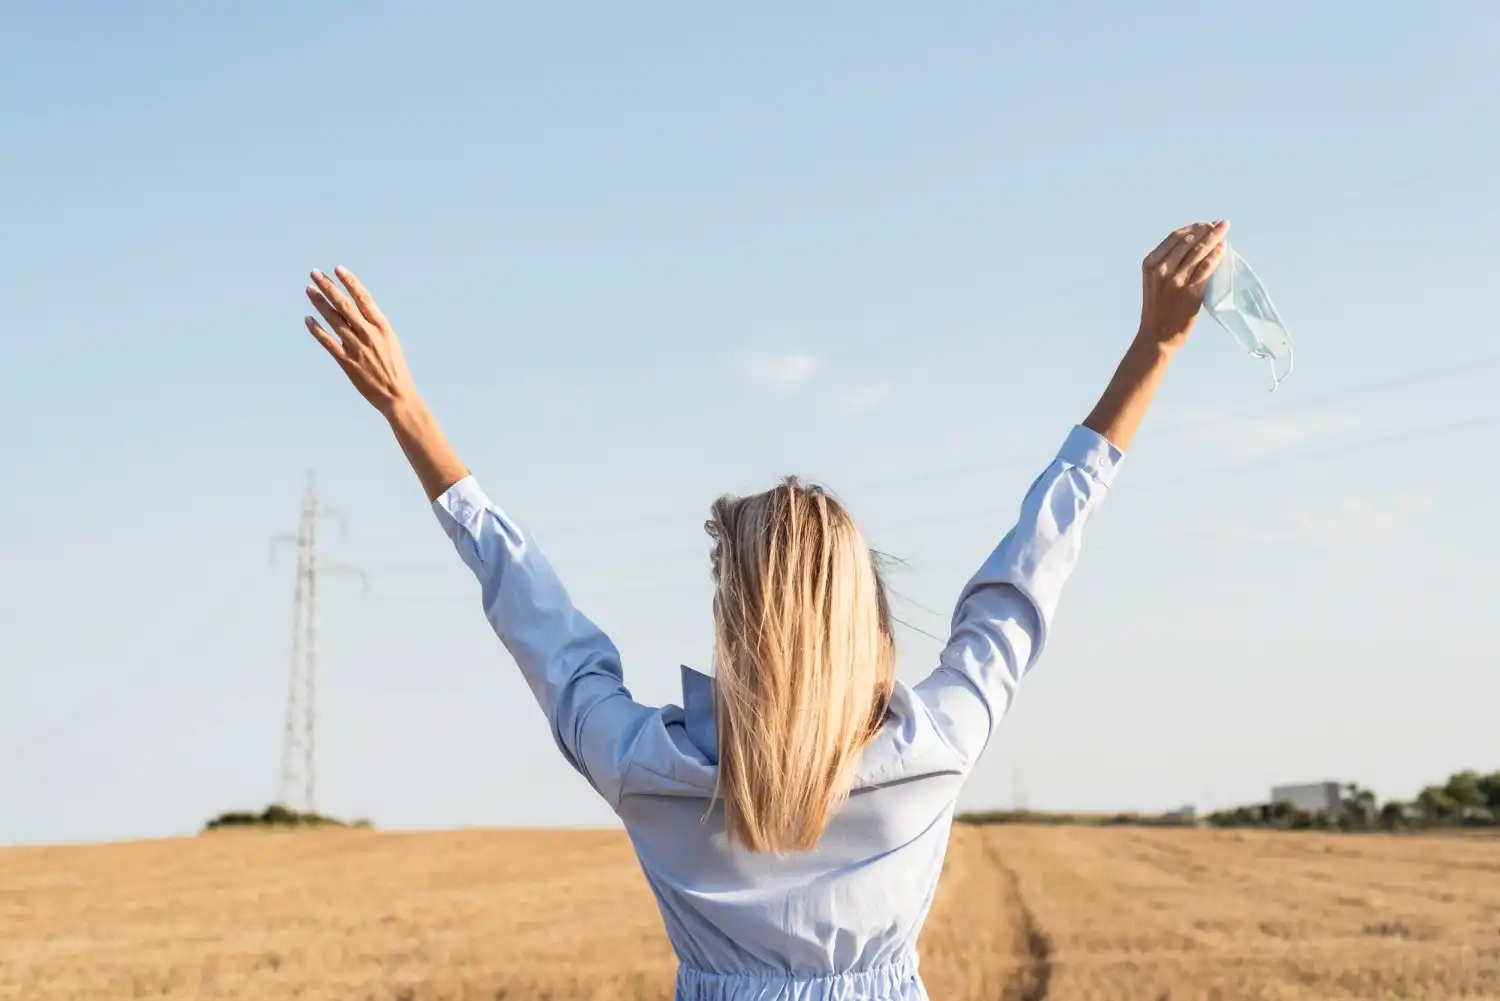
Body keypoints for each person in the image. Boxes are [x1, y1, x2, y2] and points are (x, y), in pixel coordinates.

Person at [302, 220, 1230, 1001]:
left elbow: (535, 615)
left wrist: (408, 411)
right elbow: (1028, 570)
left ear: (735, 623)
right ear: (860, 610)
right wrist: (1153, 349)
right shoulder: (931, 747)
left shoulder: (648, 768)